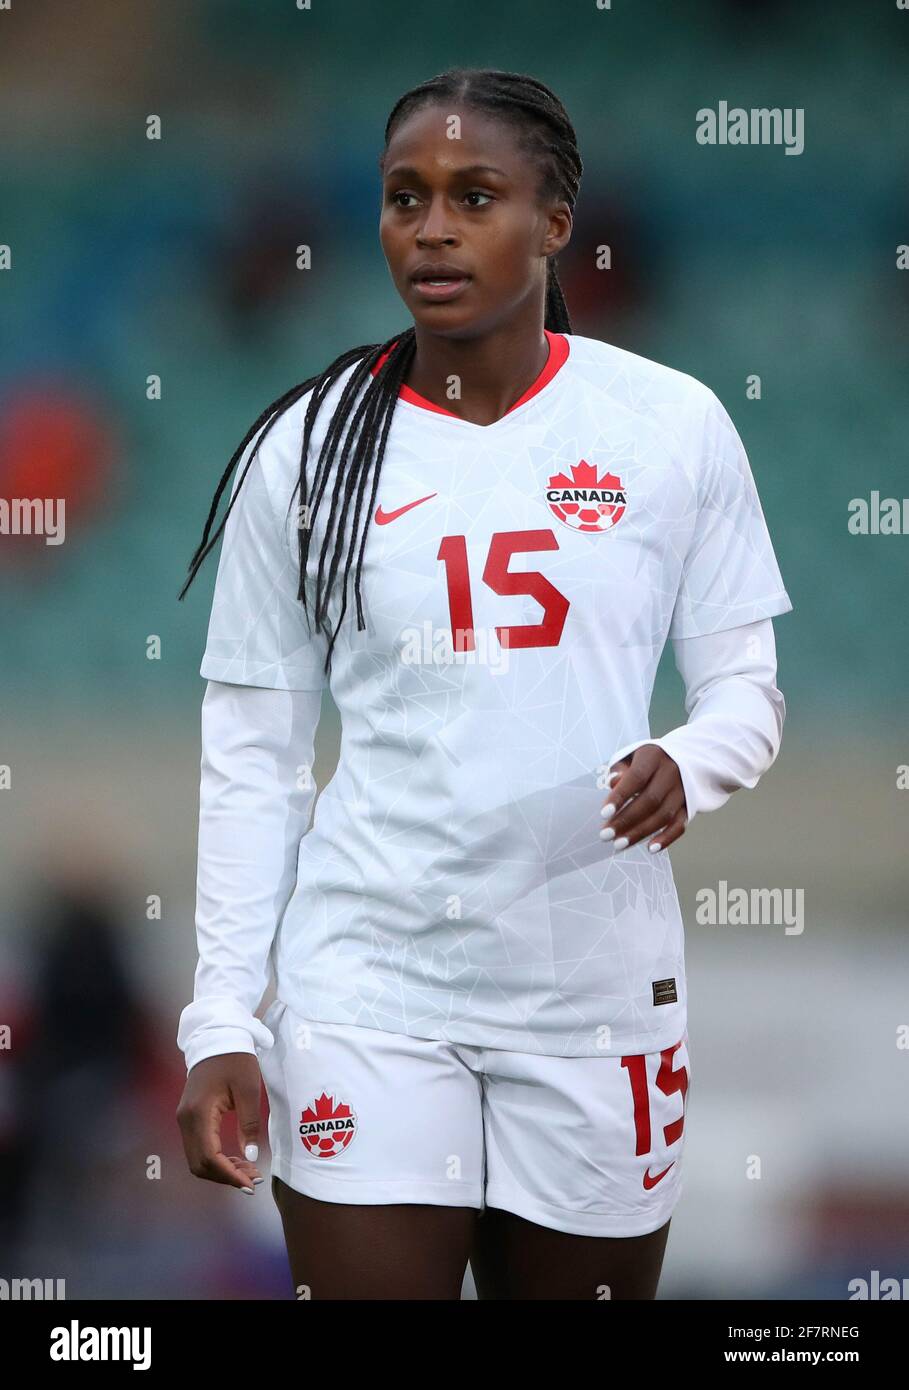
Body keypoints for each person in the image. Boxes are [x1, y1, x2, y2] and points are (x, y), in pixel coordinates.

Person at [175, 67, 792, 1300]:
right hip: (370, 983)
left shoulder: (670, 426)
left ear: (555, 221)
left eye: (475, 195)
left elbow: (749, 695)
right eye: (406, 198)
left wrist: (690, 760)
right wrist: (223, 1020)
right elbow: (253, 755)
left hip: (594, 989)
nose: (435, 228)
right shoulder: (304, 450)